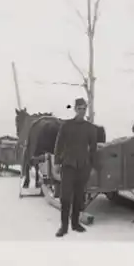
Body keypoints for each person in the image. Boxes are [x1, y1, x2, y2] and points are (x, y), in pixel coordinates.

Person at [53, 98, 98, 237]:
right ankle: (64, 227)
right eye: (79, 109)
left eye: (84, 109)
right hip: (68, 165)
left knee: (79, 197)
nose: (82, 111)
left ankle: (75, 224)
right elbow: (59, 145)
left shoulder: (90, 128)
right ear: (75, 109)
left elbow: (93, 148)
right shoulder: (66, 126)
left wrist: (92, 165)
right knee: (65, 197)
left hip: (83, 166)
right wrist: (56, 163)